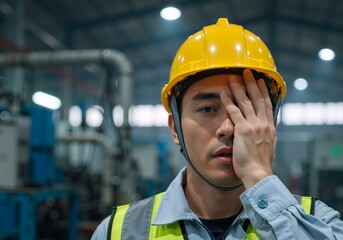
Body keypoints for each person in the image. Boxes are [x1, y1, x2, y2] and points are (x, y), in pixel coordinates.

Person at [92, 18, 343, 239]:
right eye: (208, 110)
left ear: (270, 126)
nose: (228, 128)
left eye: (245, 110)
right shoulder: (118, 232)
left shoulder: (320, 222)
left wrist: (259, 176)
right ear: (175, 129)